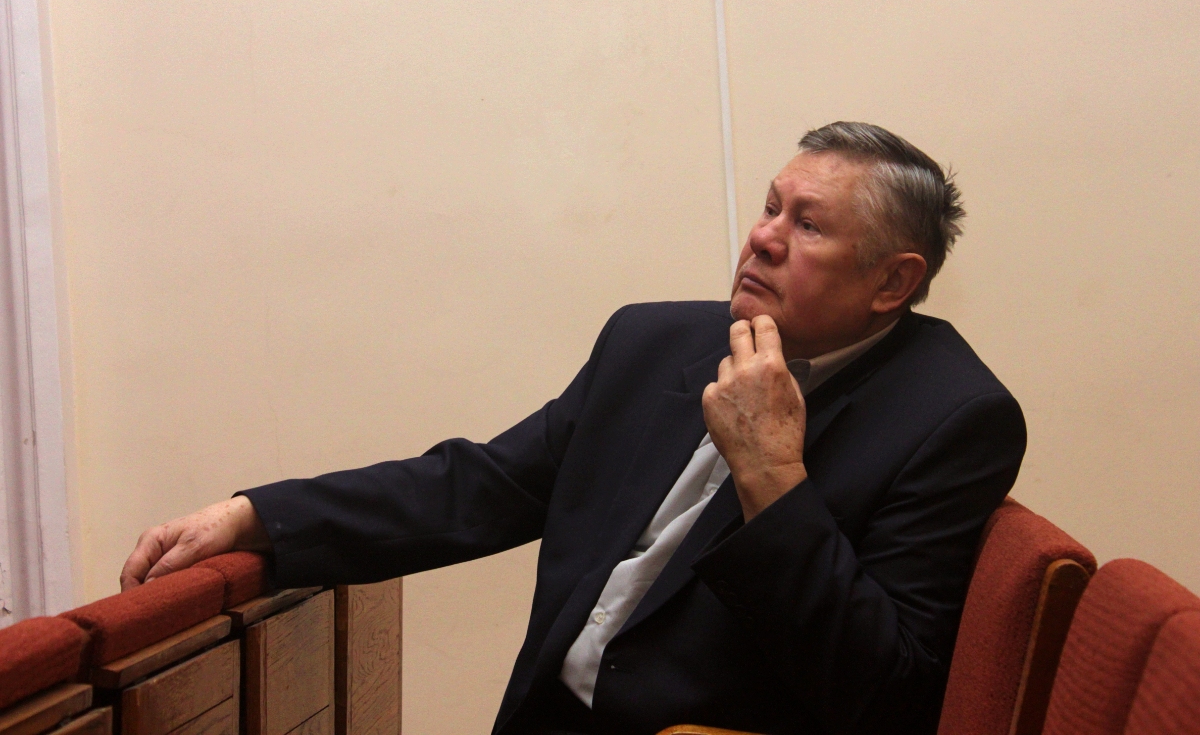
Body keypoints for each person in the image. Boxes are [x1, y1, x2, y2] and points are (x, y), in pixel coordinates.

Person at [121, 122, 1026, 735]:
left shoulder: (953, 419)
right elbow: (479, 488)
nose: (763, 238)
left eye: (809, 225)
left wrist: (773, 477)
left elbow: (885, 692)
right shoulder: (651, 343)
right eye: (770, 206)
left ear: (893, 282)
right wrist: (255, 517)